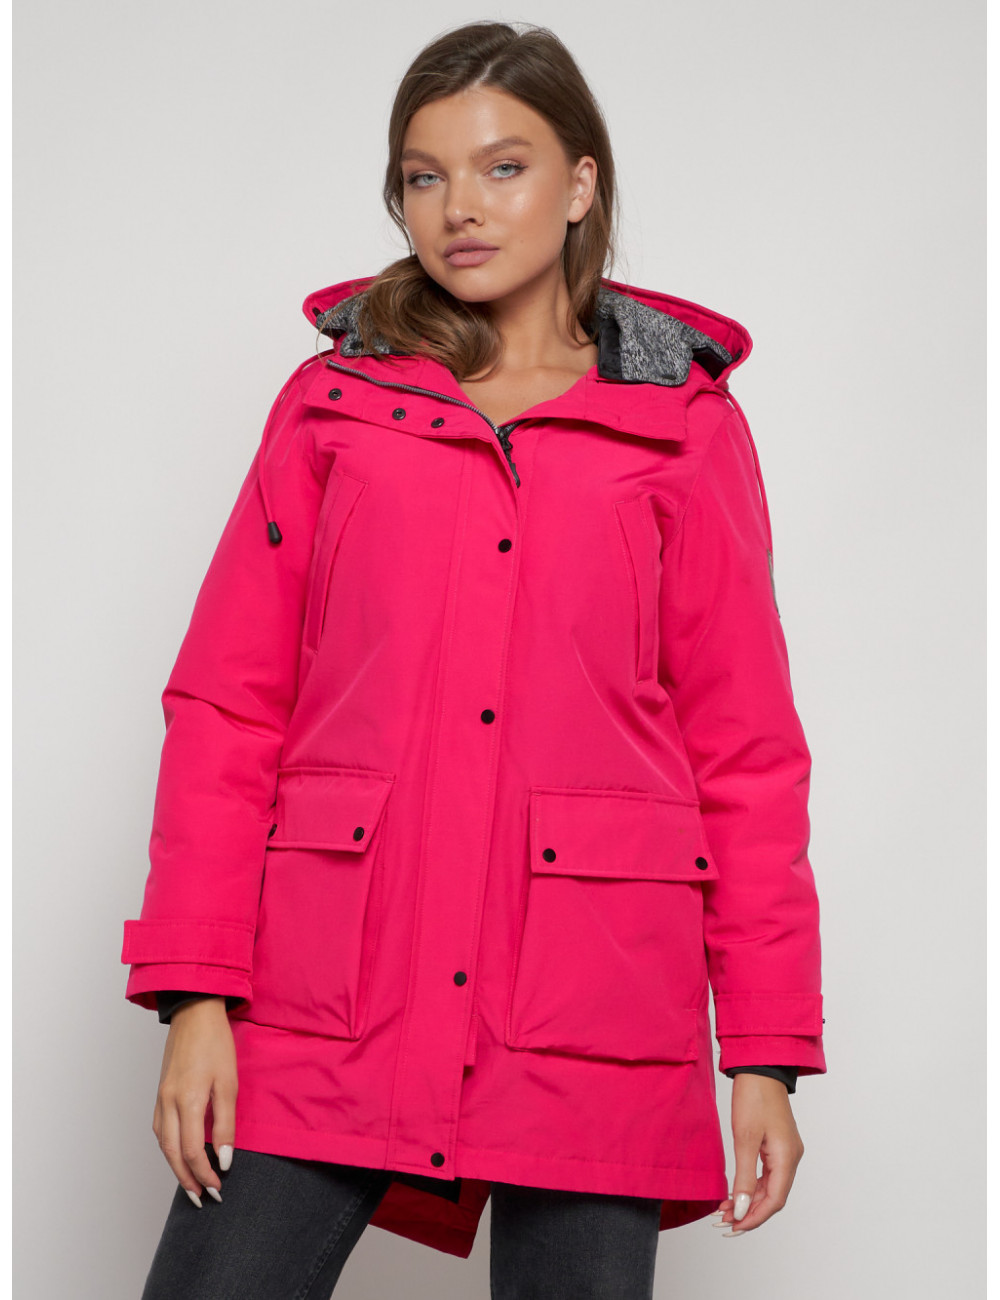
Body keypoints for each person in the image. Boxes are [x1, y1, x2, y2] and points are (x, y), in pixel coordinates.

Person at [122, 19, 825, 1299]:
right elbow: (228, 704)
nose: (460, 206)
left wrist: (764, 1052)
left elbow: (745, 753)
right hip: (324, 996)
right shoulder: (333, 406)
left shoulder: (681, 429)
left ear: (580, 183)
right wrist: (194, 994)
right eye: (424, 175)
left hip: (594, 1013)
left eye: (504, 167)